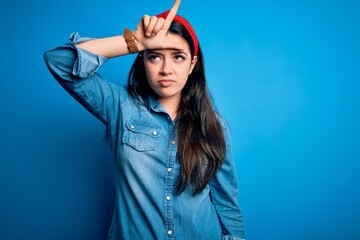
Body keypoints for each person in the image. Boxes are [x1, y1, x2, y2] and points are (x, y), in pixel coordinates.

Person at [44, 0, 246, 239]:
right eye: (155, 57)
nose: (166, 69)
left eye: (178, 57)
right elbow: (59, 61)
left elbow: (227, 205)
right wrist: (134, 42)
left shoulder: (214, 126)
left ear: (192, 64)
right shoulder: (120, 105)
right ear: (143, 60)